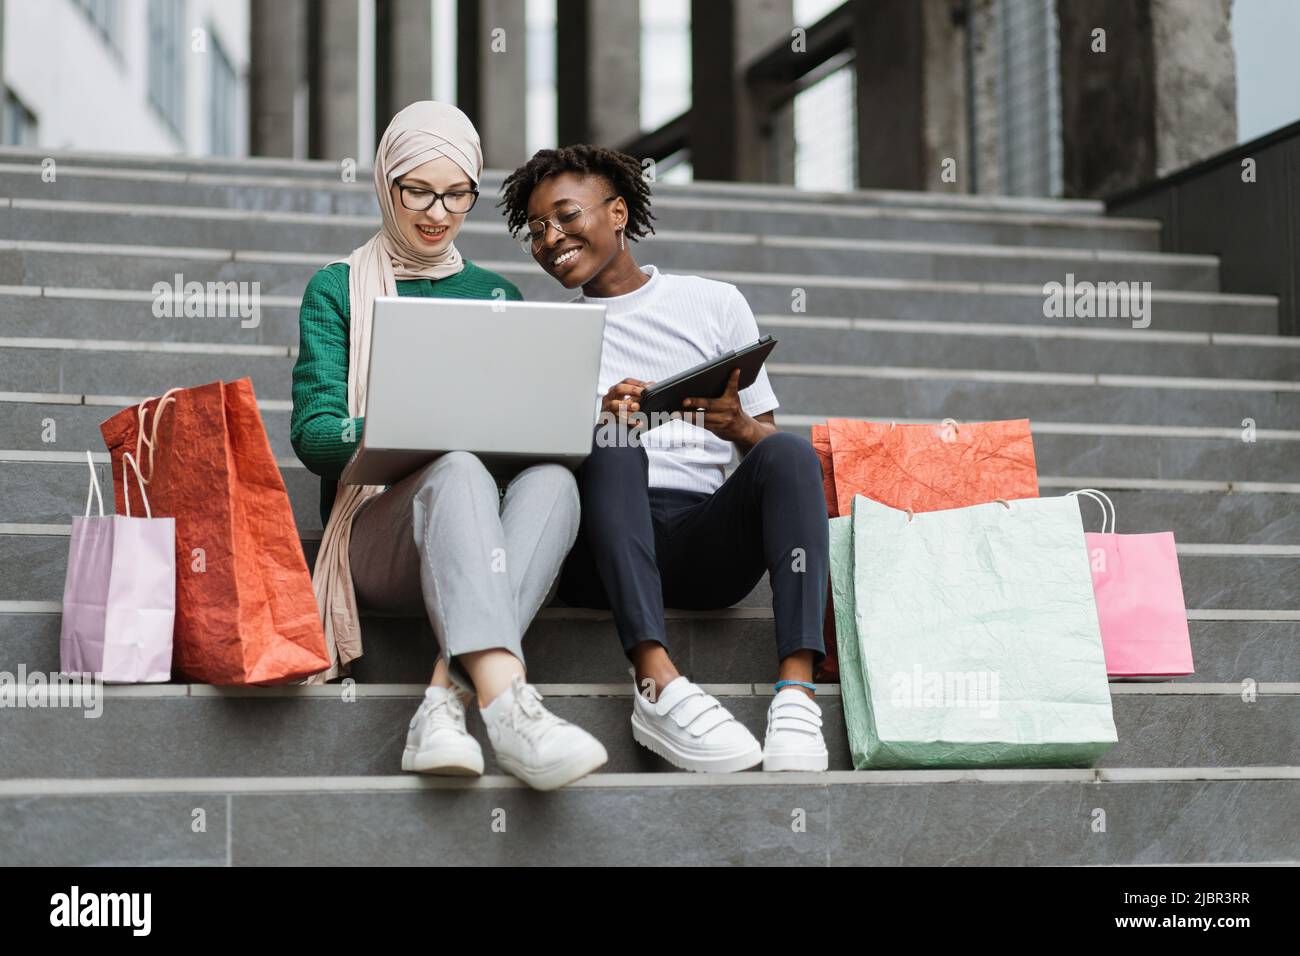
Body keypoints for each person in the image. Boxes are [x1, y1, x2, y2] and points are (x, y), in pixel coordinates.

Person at [290, 103, 607, 791]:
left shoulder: (496, 294)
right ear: (386, 183)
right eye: (419, 192)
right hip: (380, 531)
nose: (439, 212)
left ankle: (443, 702)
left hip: (483, 529)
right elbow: (314, 435)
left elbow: (527, 430)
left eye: (458, 192)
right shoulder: (337, 289)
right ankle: (510, 709)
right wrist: (413, 429)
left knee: (554, 481)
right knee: (456, 461)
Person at [499, 145, 830, 773]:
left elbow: (768, 452)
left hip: (705, 543)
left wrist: (738, 426)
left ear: (618, 211)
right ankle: (654, 681)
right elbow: (526, 470)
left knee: (788, 452)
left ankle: (795, 694)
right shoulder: (544, 333)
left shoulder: (713, 302)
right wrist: (596, 415)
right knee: (614, 440)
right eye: (536, 230)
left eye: (566, 216)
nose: (551, 238)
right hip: (599, 549)